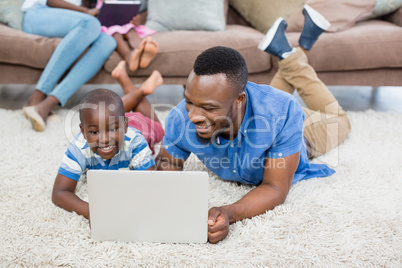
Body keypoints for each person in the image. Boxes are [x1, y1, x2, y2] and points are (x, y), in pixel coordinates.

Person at [155, 4, 351, 244]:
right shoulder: (180, 117)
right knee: (272, 103)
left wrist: (229, 211)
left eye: (207, 107)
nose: (193, 115)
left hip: (307, 134)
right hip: (260, 111)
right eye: (189, 101)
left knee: (340, 120)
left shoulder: (283, 112)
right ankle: (290, 51)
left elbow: (275, 188)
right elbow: (166, 165)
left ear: (239, 99)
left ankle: (295, 52)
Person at [52, 62, 164, 220]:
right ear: (83, 132)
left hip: (140, 126)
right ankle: (134, 88)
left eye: (111, 130)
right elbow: (59, 193)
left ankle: (138, 89)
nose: (104, 139)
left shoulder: (136, 140)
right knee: (108, 112)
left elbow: (151, 185)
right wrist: (91, 212)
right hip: (116, 121)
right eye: (94, 132)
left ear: (124, 127)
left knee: (158, 128)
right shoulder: (79, 147)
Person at [21, 0, 117, 132]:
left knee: (108, 41)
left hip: (72, 18)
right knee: (90, 23)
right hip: (38, 12)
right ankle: (35, 99)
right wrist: (85, 12)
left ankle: (48, 103)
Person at [96, 0, 159, 72]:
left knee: (130, 28)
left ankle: (143, 51)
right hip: (105, 28)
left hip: (123, 25)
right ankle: (130, 57)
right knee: (116, 33)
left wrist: (134, 20)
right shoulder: (92, 4)